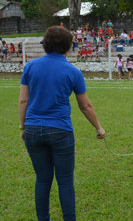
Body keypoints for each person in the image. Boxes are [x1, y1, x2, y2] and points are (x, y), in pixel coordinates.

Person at [19, 26, 105, 221]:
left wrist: (23, 127)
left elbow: (23, 101)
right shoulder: (73, 71)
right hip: (60, 131)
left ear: (45, 44)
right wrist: (99, 128)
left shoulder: (30, 66)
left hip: (33, 130)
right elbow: (86, 106)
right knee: (65, 181)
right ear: (69, 46)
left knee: (42, 179)